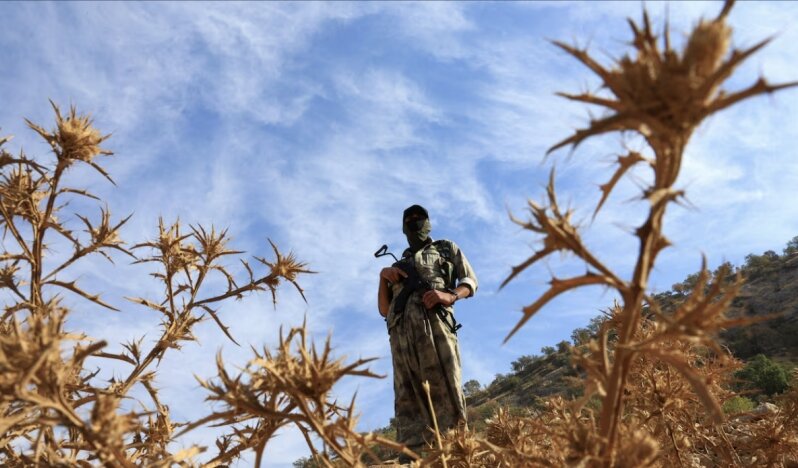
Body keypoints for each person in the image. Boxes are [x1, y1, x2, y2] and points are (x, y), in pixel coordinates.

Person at [377, 204, 478, 460]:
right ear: (403, 227)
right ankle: (413, 458)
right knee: (407, 397)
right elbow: (384, 309)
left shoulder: (445, 248)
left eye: (419, 218)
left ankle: (456, 453)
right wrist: (383, 277)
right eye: (409, 219)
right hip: (401, 336)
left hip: (436, 327)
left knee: (446, 388)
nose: (414, 222)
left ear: (428, 222)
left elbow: (469, 281)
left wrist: (449, 295)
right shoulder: (398, 264)